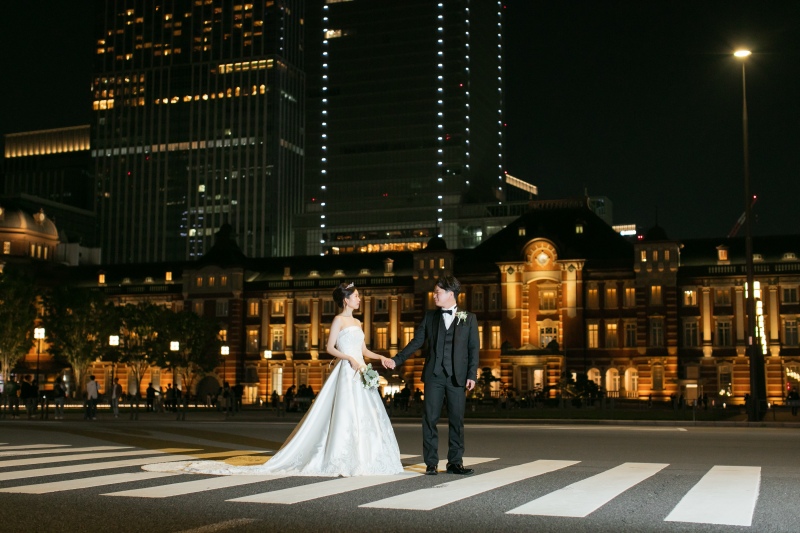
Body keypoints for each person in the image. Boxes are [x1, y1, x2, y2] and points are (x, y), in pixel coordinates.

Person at [144, 281, 402, 477]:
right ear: (346, 300)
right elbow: (330, 348)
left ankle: (364, 458)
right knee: (344, 415)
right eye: (356, 296)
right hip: (348, 372)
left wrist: (382, 358)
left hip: (360, 371)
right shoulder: (338, 320)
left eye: (358, 296)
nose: (359, 299)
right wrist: (350, 359)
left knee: (365, 417)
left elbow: (365, 350)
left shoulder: (357, 324)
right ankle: (342, 458)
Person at [389, 275, 479, 476]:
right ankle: (431, 463)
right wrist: (397, 360)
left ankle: (455, 462)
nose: (434, 295)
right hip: (434, 376)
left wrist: (472, 375)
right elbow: (416, 342)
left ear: (451, 294)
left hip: (457, 377)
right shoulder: (430, 317)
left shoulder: (469, 318)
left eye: (438, 292)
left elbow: (474, 349)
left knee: (457, 420)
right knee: (429, 419)